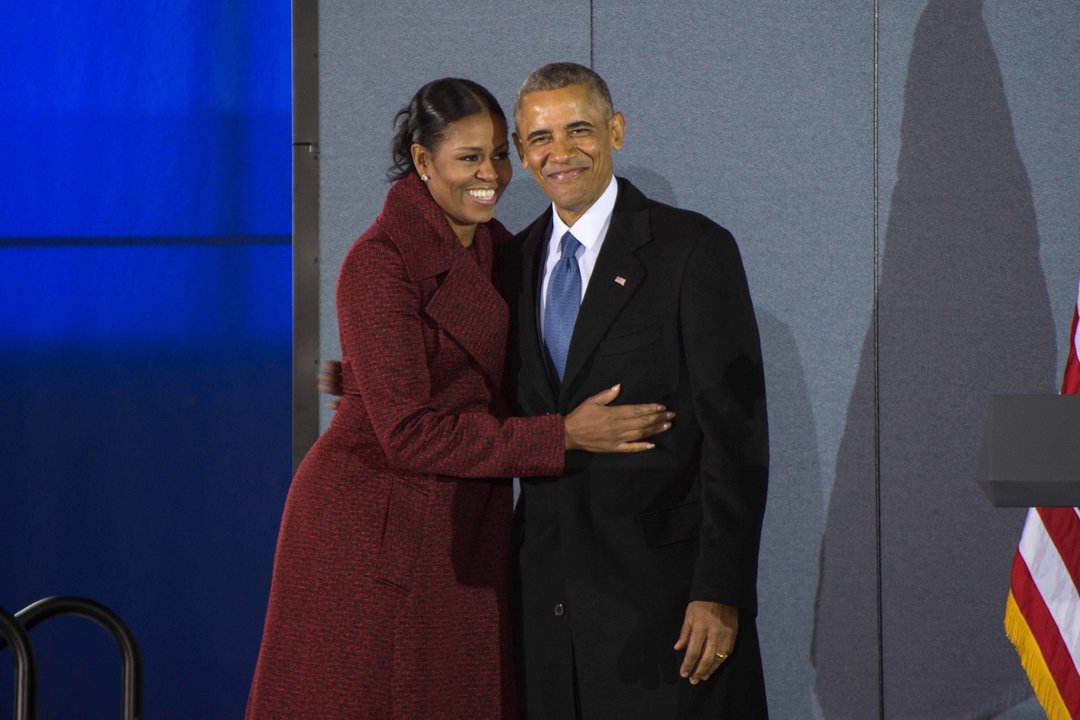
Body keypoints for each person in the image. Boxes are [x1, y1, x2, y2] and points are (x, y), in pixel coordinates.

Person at [244, 78, 673, 720]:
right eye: (469, 157)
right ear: (423, 162)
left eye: (500, 154)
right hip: (374, 531)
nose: (492, 174)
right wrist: (561, 435)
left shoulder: (499, 247)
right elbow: (411, 433)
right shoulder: (379, 263)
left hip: (459, 518)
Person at [502, 63, 769, 719]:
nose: (559, 154)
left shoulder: (691, 250)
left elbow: (736, 439)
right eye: (539, 138)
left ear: (616, 131)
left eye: (579, 130)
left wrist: (721, 590)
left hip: (667, 612)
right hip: (547, 619)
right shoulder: (507, 265)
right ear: (519, 150)